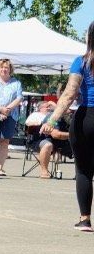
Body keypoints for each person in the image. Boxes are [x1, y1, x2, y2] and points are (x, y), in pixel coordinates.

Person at [42, 22, 94, 232]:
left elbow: (69, 93)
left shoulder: (81, 62)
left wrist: (52, 120)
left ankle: (85, 220)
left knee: (83, 170)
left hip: (87, 118)